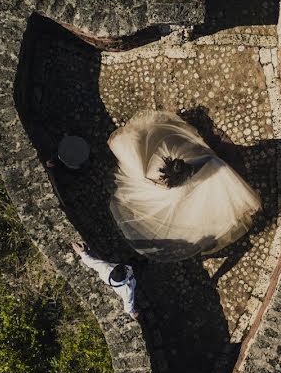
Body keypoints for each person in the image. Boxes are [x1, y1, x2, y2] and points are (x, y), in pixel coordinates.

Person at [107, 110, 261, 262]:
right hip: (181, 179)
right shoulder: (184, 165)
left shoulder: (157, 174)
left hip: (170, 184)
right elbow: (208, 161)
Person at [72, 242, 139, 320]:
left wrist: (82, 252)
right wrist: (132, 313)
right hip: (130, 283)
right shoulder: (127, 290)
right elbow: (128, 303)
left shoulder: (106, 268)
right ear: (125, 277)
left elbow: (91, 262)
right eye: (125, 269)